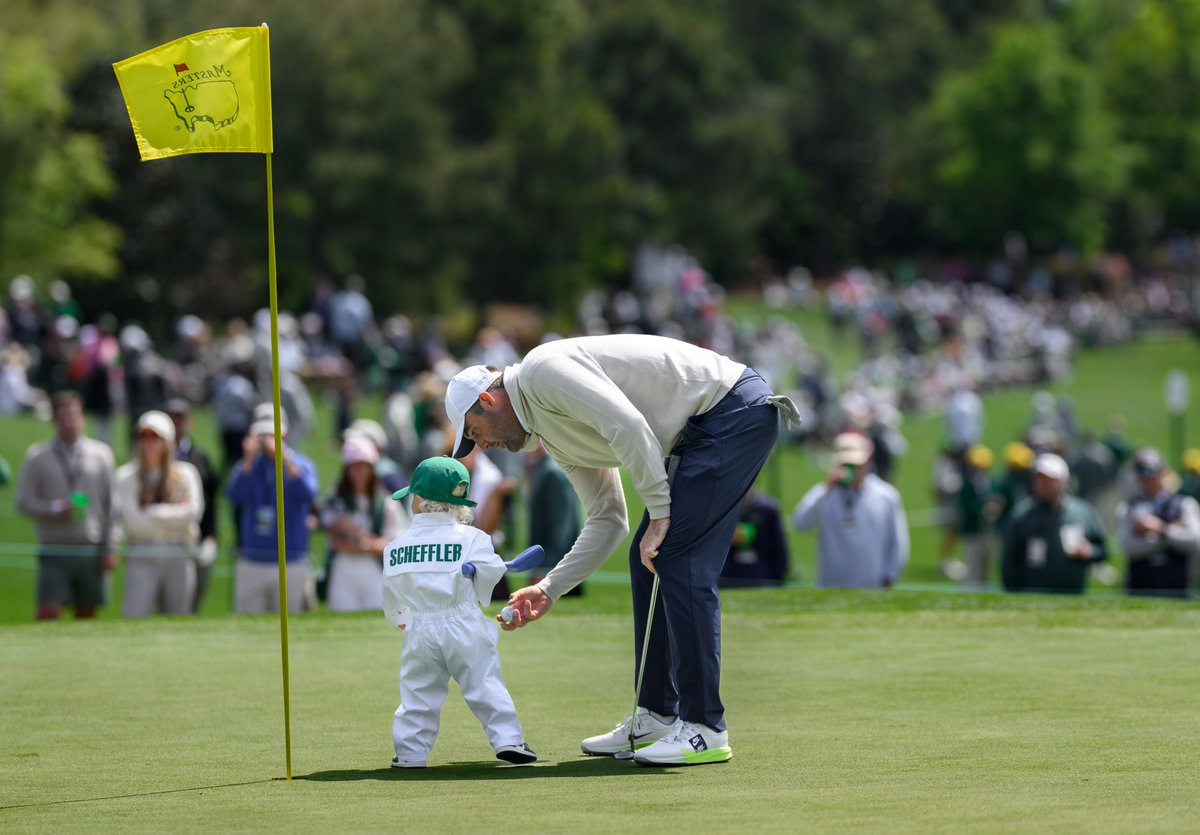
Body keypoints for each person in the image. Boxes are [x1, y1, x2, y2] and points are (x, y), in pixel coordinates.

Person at [446, 334, 795, 766]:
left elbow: (628, 426)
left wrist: (661, 514)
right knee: (645, 557)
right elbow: (609, 519)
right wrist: (551, 587)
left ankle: (705, 727)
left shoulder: (540, 371)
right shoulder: (553, 436)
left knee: (677, 556)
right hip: (704, 430)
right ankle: (657, 716)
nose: (483, 444)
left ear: (488, 399)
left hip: (732, 411)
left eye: (475, 432)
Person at [383, 456, 537, 768]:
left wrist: (402, 618)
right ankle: (508, 739)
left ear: (420, 499)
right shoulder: (474, 538)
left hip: (419, 628)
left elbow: (391, 591)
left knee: (418, 693)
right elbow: (489, 578)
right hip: (462, 621)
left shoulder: (395, 546)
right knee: (483, 682)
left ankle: (411, 752)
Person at [15, 391, 116, 620]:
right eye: (63, 416)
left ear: (83, 418)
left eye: (74, 415)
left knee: (86, 613)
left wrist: (111, 547)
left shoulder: (101, 455)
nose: (69, 422)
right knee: (48, 611)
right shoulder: (37, 456)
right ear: (54, 421)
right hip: (54, 547)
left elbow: (111, 507)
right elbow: (23, 502)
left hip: (90, 547)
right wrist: (55, 508)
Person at [226, 408, 320, 613]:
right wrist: (248, 459)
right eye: (263, 435)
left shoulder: (302, 464)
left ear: (285, 435)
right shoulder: (246, 466)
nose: (268, 441)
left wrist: (284, 458)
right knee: (249, 625)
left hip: (291, 561)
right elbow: (234, 495)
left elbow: (308, 493)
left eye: (273, 435)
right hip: (252, 560)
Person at [113, 411, 204, 617]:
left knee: (178, 618)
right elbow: (134, 522)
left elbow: (192, 513)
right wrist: (173, 513)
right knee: (135, 616)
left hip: (178, 552)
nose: (149, 442)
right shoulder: (125, 477)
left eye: (155, 436)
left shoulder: (186, 473)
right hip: (142, 552)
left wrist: (153, 511)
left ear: (168, 441)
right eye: (143, 436)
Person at [792, 432, 909, 589]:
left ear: (867, 462)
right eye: (845, 464)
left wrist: (890, 575)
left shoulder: (886, 496)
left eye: (856, 465)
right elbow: (800, 523)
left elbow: (897, 542)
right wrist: (826, 490)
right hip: (831, 584)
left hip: (872, 585)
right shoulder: (824, 494)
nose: (851, 469)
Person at [319, 437, 406, 612]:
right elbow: (336, 541)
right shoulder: (335, 500)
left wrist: (359, 536)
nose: (359, 471)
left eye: (364, 466)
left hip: (373, 567)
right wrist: (371, 544)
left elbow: (393, 544)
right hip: (343, 568)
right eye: (354, 466)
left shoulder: (385, 503)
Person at [1001, 453, 1107, 595]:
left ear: (1064, 481)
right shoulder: (1021, 515)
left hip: (1072, 595)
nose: (1043, 483)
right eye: (1039, 478)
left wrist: (1088, 551)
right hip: (1032, 595)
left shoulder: (1083, 512)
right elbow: (1009, 560)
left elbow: (1102, 550)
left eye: (1049, 479)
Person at [1115, 448, 1200, 598]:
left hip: (1178, 583)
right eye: (1141, 473)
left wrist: (1161, 529)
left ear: (1163, 473)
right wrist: (1170, 534)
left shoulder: (1184, 504)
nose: (1146, 478)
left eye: (1151, 472)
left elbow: (1194, 541)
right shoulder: (1128, 508)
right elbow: (1129, 547)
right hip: (1140, 584)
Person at [166, 399, 220, 612]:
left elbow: (212, 498)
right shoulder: (154, 457)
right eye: (172, 419)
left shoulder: (201, 458)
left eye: (181, 419)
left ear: (190, 422)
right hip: (168, 537)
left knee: (193, 595)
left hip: (198, 535)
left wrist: (212, 534)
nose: (177, 425)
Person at [525, 442, 583, 594]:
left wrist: (546, 570)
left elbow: (561, 527)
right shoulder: (545, 468)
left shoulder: (552, 472)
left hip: (557, 570)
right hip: (555, 567)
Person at [719, 488, 789, 588]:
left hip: (760, 575)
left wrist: (777, 578)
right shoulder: (722, 508)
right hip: (728, 573)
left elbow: (778, 549)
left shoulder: (768, 510)